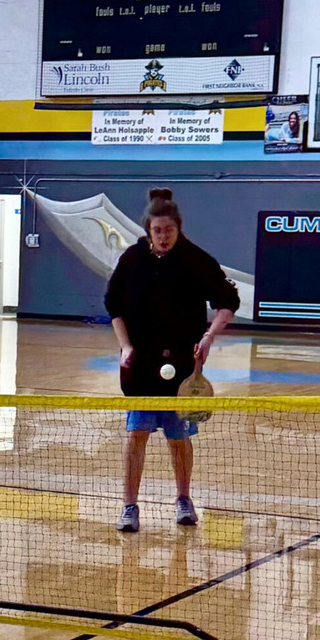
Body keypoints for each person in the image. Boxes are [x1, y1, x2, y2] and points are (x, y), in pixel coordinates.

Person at [104, 188, 239, 533]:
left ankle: (183, 500)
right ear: (148, 230)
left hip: (182, 367)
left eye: (170, 230)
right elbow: (114, 307)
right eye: (157, 231)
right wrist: (125, 347)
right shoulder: (132, 260)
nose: (164, 237)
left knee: (178, 437)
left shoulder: (195, 260)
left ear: (179, 228)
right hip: (140, 366)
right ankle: (129, 506)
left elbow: (228, 302)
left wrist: (209, 336)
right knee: (136, 435)